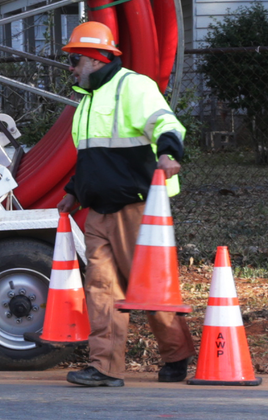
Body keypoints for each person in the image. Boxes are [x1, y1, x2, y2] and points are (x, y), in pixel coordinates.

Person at [58, 20, 195, 388]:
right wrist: (74, 189)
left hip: (137, 208)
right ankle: (105, 367)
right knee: (101, 290)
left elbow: (166, 124)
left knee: (150, 287)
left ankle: (177, 355)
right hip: (98, 209)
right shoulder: (87, 101)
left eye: (75, 61)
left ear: (94, 59)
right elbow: (94, 156)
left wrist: (169, 155)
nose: (71, 69)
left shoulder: (133, 87)